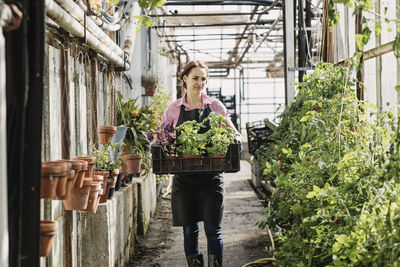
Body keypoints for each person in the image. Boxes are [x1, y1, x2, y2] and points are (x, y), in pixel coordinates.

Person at [161, 60, 241, 267]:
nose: (200, 83)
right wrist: (159, 143)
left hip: (211, 178)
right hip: (184, 179)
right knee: (189, 231)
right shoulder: (174, 109)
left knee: (213, 230)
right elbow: (163, 136)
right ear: (185, 79)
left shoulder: (215, 106)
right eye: (195, 78)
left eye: (203, 79)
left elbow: (234, 133)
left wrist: (233, 141)